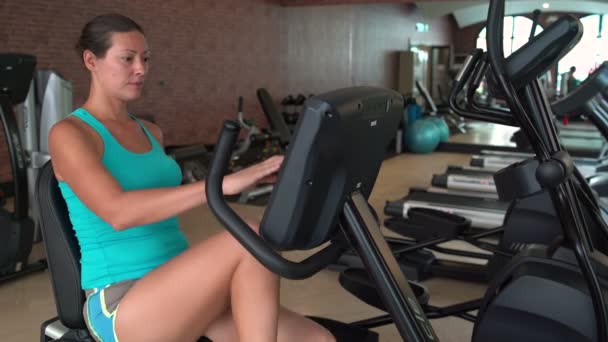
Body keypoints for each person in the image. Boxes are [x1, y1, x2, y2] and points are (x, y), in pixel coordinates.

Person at [49, 13, 335, 342]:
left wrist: (253, 179)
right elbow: (118, 212)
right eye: (127, 59)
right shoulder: (70, 133)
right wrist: (223, 184)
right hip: (123, 301)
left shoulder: (150, 132)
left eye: (145, 59)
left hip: (182, 285)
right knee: (249, 239)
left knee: (318, 339)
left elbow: (163, 202)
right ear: (91, 60)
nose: (140, 69)